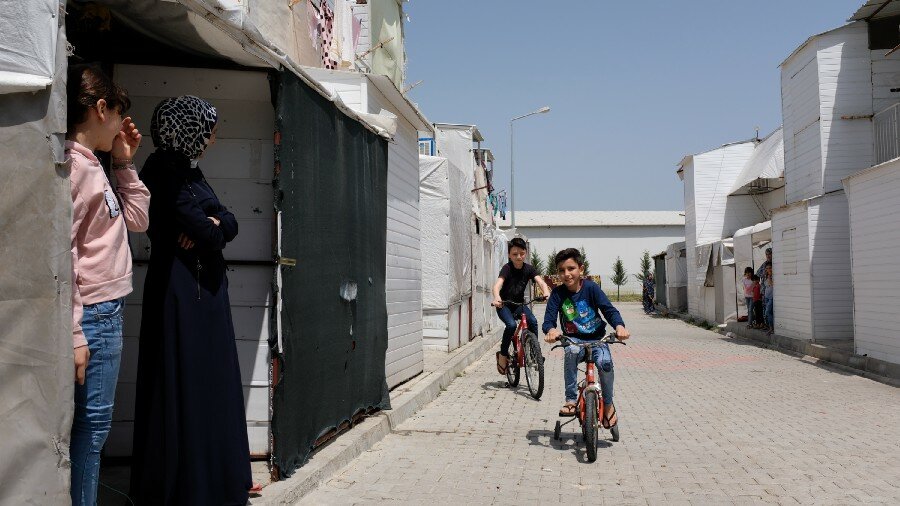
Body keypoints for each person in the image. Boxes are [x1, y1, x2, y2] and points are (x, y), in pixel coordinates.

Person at [130, 95, 261, 504]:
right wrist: (211, 227)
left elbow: (225, 221)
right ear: (185, 129)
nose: (213, 139)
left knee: (213, 384)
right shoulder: (161, 172)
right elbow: (202, 231)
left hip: (204, 289)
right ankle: (189, 488)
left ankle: (221, 479)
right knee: (182, 382)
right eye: (209, 131)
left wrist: (217, 222)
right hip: (180, 291)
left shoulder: (189, 169)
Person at [66, 65, 150, 506]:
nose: (121, 126)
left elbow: (137, 221)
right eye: (118, 115)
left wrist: (124, 161)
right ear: (101, 109)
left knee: (92, 425)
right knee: (93, 426)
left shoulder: (94, 166)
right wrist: (76, 332)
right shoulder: (76, 168)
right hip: (94, 316)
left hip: (105, 311)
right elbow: (64, 252)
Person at [543, 248, 630, 426]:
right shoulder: (557, 294)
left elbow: (608, 310)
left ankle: (607, 404)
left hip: (598, 340)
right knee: (571, 352)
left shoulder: (591, 288)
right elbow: (548, 320)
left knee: (605, 364)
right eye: (561, 270)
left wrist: (620, 326)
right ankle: (571, 400)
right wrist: (551, 331)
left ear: (581, 269)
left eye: (571, 268)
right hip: (573, 340)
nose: (566, 274)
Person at [491, 237, 551, 374]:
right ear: (509, 255)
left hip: (519, 304)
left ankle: (534, 351)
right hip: (504, 304)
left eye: (522, 253)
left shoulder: (529, 269)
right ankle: (503, 354)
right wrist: (497, 297)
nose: (519, 257)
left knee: (533, 321)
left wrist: (546, 292)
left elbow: (541, 283)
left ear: (526, 253)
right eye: (515, 254)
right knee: (511, 325)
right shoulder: (507, 268)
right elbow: (497, 286)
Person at [763, 264, 775, 335]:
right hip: (766, 297)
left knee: (767, 312)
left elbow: (772, 284)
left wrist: (770, 277)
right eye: (767, 268)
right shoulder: (765, 277)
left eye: (770, 268)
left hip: (771, 297)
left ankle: (771, 328)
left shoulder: (773, 276)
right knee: (769, 313)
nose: (768, 269)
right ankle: (771, 327)